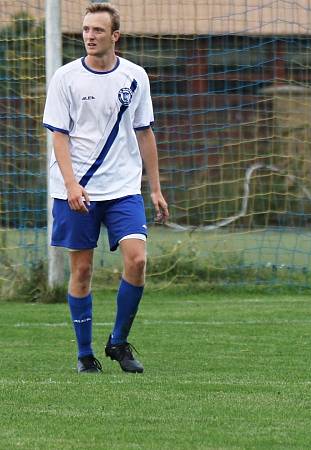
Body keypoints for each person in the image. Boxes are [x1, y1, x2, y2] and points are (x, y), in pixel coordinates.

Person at [43, 3, 169, 373]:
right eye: (85, 30)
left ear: (115, 36)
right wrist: (71, 185)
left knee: (138, 259)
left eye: (97, 30)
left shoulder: (135, 77)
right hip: (75, 189)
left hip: (123, 187)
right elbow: (59, 137)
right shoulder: (66, 78)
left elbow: (145, 132)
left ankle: (117, 342)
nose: (89, 36)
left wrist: (156, 188)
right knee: (81, 271)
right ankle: (85, 355)